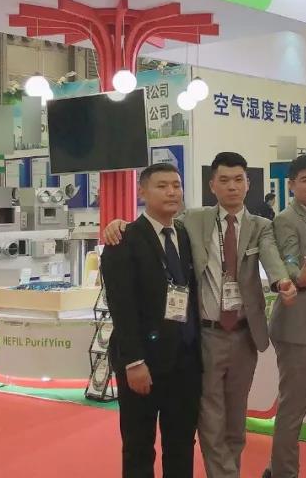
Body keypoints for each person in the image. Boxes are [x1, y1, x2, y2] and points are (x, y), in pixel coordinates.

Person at [102, 152, 306, 478]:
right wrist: (118, 223)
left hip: (234, 340)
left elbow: (273, 259)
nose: (232, 187)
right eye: (224, 180)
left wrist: (285, 282)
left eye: (238, 180)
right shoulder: (191, 221)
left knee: (224, 425)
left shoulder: (256, 226)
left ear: (248, 184)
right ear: (212, 186)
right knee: (201, 425)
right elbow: (125, 296)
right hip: (201, 339)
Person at [100, 163, 201, 478]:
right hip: (143, 362)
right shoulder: (123, 239)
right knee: (139, 446)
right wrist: (134, 362)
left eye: (176, 185)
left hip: (185, 361)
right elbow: (121, 307)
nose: (172, 192)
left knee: (181, 444)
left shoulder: (184, 235)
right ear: (142, 192)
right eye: (162, 186)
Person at [264, 155, 306, 478]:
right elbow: (289, 260)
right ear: (291, 185)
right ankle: (284, 473)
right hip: (296, 327)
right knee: (292, 410)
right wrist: (300, 277)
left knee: (297, 408)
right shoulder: (286, 219)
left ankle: (276, 468)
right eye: (305, 180)